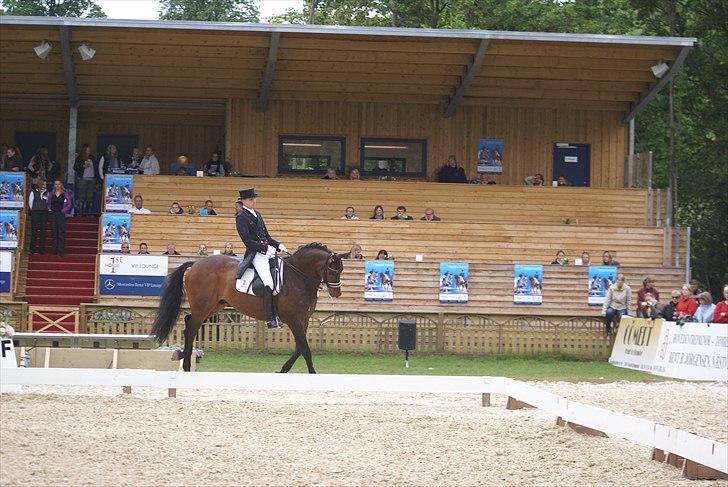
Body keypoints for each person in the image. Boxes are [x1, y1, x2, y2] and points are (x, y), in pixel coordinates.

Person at [236, 187, 289, 329]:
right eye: (250, 199)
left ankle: (280, 313)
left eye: (254, 199)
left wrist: (278, 245)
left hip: (269, 253)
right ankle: (270, 319)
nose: (253, 201)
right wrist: (266, 248)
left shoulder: (257, 214)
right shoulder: (241, 217)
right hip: (256, 256)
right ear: (243, 201)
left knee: (280, 279)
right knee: (269, 284)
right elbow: (248, 241)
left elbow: (266, 236)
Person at [47, 179, 72, 256]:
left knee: (60, 232)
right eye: (56, 184)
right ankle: (54, 250)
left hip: (61, 214)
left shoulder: (65, 194)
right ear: (54, 185)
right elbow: (48, 203)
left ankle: (61, 250)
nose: (57, 186)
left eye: (58, 184)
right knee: (54, 231)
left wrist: (63, 211)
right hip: (53, 214)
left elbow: (69, 204)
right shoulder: (51, 194)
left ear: (61, 185)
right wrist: (49, 209)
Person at [73, 144, 99, 217]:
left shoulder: (92, 157)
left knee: (90, 196)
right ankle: (80, 212)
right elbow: (75, 167)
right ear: (84, 149)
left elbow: (96, 167)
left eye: (89, 149)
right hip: (83, 179)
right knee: (81, 196)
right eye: (88, 149)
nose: (89, 150)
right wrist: (83, 166)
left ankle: (88, 212)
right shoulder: (80, 157)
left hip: (91, 179)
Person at [27, 178, 49, 254]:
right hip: (35, 212)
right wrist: (33, 210)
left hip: (44, 212)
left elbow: (47, 202)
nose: (45, 186)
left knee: (43, 231)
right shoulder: (33, 192)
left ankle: (42, 250)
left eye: (45, 184)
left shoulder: (47, 192)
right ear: (40, 184)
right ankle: (32, 249)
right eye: (44, 184)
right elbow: (30, 202)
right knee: (34, 231)